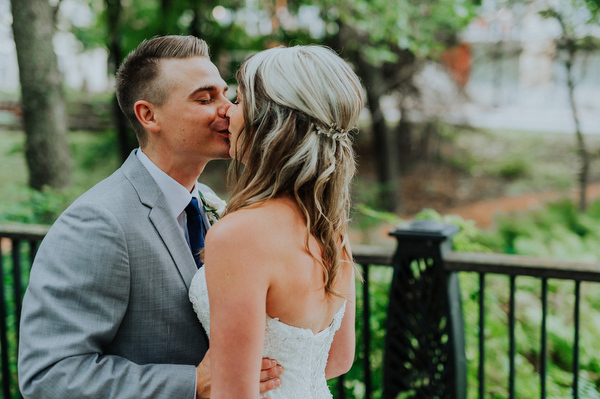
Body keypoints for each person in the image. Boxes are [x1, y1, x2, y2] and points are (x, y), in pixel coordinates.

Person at [18, 35, 281, 399]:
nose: (228, 109)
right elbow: (49, 376)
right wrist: (192, 383)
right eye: (206, 99)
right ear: (149, 115)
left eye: (226, 94)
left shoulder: (210, 203)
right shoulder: (98, 223)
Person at [188, 45, 364, 398]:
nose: (228, 112)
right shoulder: (331, 229)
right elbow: (338, 360)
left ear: (268, 122)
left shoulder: (239, 236)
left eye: (239, 100)